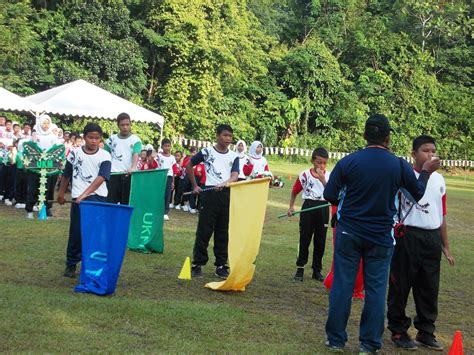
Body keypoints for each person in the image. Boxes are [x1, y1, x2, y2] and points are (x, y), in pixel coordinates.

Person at [323, 114, 441, 353]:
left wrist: (347, 196)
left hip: (349, 232)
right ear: (388, 137)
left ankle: (336, 340)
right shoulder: (397, 164)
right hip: (380, 236)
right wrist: (426, 172)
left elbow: (329, 195)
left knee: (343, 286)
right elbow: (416, 193)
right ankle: (369, 344)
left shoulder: (349, 161)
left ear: (365, 135)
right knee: (376, 290)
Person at [387, 135, 455, 351]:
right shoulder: (404, 175)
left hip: (431, 237)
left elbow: (441, 214)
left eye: (433, 150)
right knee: (401, 284)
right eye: (426, 150)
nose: (431, 155)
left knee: (429, 286)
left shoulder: (440, 181)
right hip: (407, 235)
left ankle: (426, 331)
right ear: (414, 154)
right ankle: (398, 329)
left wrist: (445, 245)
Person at [58, 123, 111, 278]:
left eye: (97, 138)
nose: (93, 141)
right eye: (90, 137)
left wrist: (85, 195)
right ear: (84, 137)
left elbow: (101, 177)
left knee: (96, 232)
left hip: (98, 198)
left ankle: (92, 264)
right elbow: (66, 175)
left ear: (100, 139)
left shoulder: (105, 156)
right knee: (76, 232)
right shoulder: (74, 153)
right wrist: (61, 194)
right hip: (77, 200)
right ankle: (71, 264)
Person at [186, 124, 239, 279]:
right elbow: (189, 164)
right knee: (204, 230)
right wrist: (195, 185)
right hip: (209, 194)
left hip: (226, 193)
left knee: (223, 231)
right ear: (217, 135)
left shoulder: (234, 156)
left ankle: (221, 265)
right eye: (225, 135)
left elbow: (235, 175)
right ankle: (197, 264)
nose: (228, 139)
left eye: (230, 136)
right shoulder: (207, 152)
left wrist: (224, 183)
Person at [287, 147, 331, 282]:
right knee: (304, 238)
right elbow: (295, 190)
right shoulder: (305, 174)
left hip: (323, 207)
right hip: (309, 207)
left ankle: (317, 270)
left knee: (320, 240)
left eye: (324, 163)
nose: (321, 166)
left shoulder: (329, 175)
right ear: (313, 161)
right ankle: (300, 268)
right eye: (319, 162)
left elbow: (332, 193)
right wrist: (291, 206)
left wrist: (323, 179)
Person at [25, 114, 59, 219]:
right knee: (33, 188)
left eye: (48, 123)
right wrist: (34, 140)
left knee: (47, 189)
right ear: (40, 123)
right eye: (44, 122)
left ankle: (45, 209)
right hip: (35, 167)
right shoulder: (35, 136)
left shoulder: (53, 137)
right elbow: (28, 148)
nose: (46, 125)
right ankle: (29, 210)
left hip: (48, 168)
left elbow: (57, 150)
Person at [105, 112, 142, 205]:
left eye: (127, 124)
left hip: (128, 175)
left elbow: (135, 153)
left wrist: (133, 167)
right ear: (118, 125)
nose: (125, 127)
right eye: (122, 125)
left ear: (130, 124)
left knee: (126, 203)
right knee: (110, 203)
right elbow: (105, 154)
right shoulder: (111, 139)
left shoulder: (136, 140)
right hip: (113, 175)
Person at [155, 138, 177, 220]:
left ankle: (165, 212)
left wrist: (173, 182)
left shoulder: (172, 158)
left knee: (167, 195)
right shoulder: (159, 156)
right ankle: (157, 210)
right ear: (162, 146)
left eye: (168, 146)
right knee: (160, 194)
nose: (167, 148)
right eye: (165, 146)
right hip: (160, 177)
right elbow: (155, 165)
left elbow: (174, 171)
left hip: (169, 177)